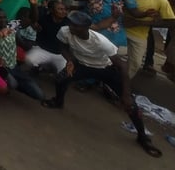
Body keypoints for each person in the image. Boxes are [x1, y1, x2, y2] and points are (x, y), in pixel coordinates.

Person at [41, 11, 162, 159]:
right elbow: (63, 47)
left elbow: (122, 66)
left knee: (130, 104)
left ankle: (143, 137)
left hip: (106, 70)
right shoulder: (65, 31)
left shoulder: (101, 41)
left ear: (86, 27)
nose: (70, 27)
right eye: (70, 23)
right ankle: (58, 101)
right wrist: (70, 61)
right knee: (61, 79)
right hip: (83, 66)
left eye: (75, 25)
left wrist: (125, 94)